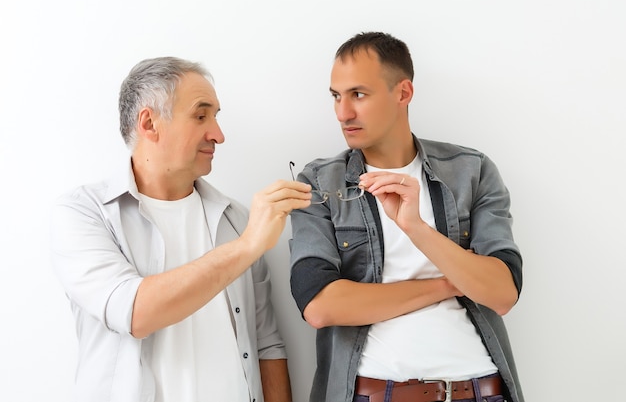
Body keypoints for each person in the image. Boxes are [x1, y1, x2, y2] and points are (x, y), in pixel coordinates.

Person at [51, 57, 311, 402]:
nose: (218, 134)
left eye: (217, 116)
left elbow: (266, 344)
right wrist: (248, 246)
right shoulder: (84, 213)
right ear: (149, 123)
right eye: (201, 115)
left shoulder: (237, 219)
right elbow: (134, 313)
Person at [289, 32, 524, 402]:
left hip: (480, 390)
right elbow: (320, 305)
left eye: (358, 94)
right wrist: (449, 285)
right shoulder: (320, 182)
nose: (342, 113)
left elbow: (502, 293)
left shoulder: (471, 170)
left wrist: (416, 228)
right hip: (375, 393)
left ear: (403, 93)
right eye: (336, 96)